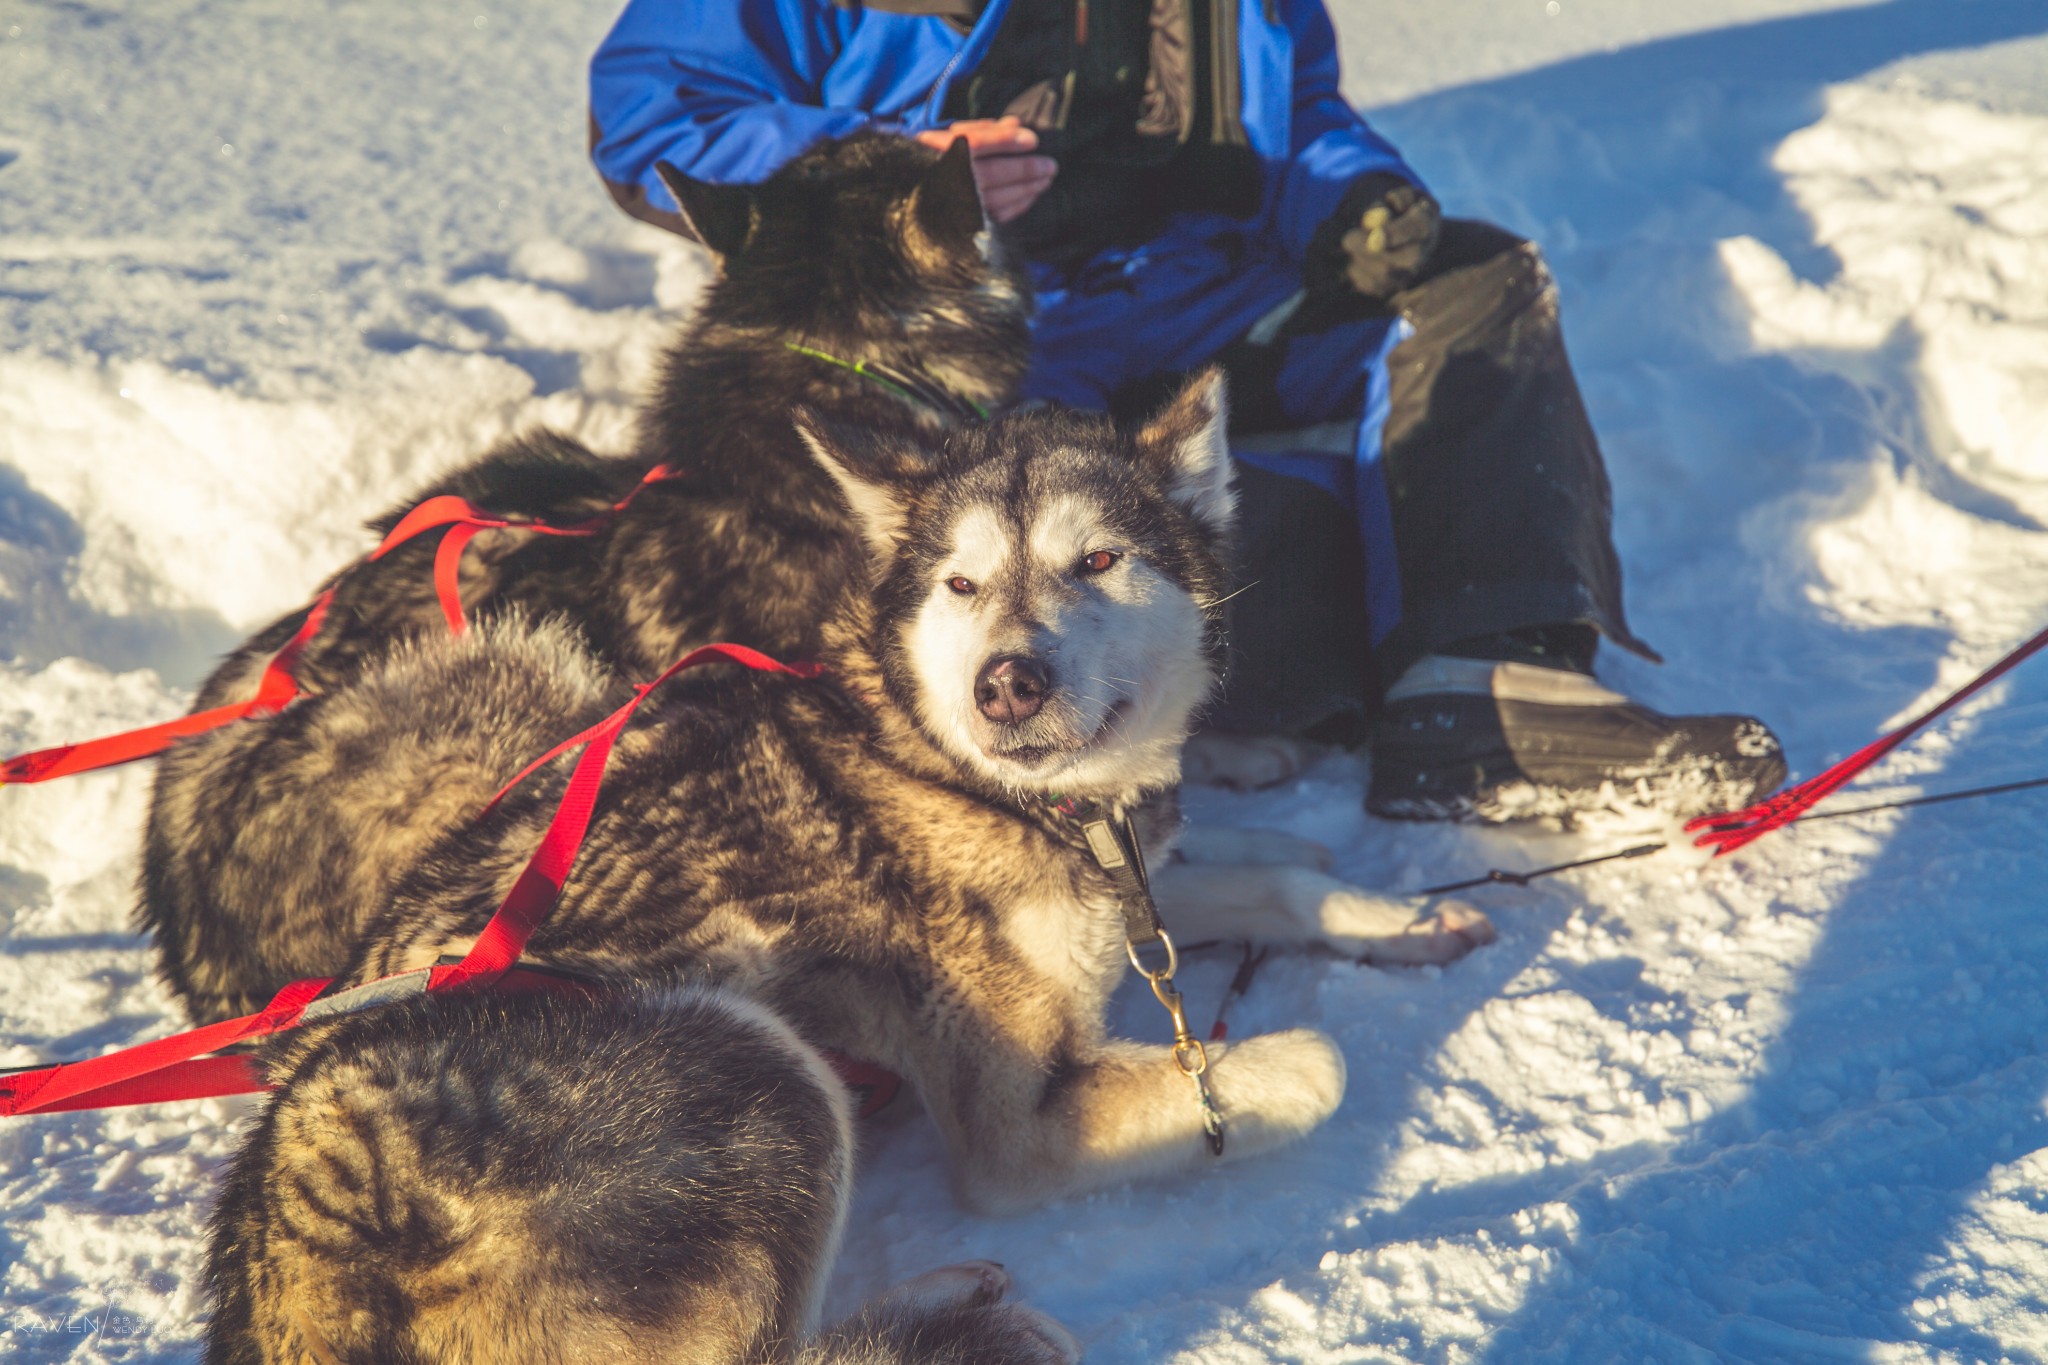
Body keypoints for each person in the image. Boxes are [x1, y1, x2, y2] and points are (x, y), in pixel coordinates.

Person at [586, 0, 1787, 823]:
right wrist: (899, 160)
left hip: (1206, 293)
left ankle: (1479, 689)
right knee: (1158, 574)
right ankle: (1263, 685)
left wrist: (1351, 195)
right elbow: (650, 119)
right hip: (986, 343)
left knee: (1472, 283)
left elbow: (1294, 109)